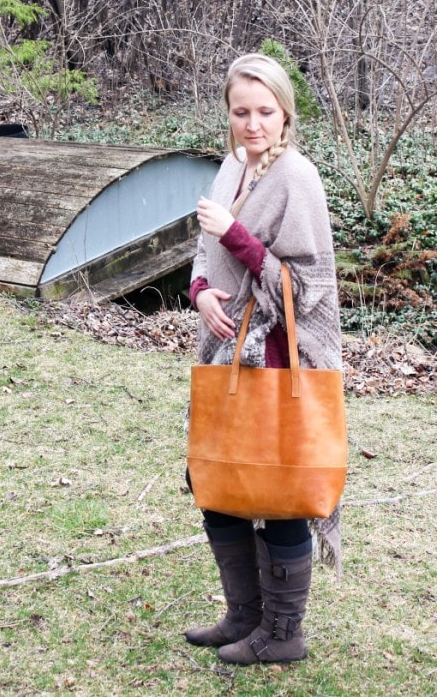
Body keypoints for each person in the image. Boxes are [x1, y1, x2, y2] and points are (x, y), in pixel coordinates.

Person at [185, 53, 342, 665]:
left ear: (285, 114)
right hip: (226, 353)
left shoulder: (297, 178)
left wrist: (236, 235)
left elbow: (306, 290)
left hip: (279, 359)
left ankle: (283, 634)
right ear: (228, 114)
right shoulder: (230, 168)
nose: (252, 124)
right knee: (218, 483)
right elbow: (204, 257)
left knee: (276, 491)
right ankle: (243, 618)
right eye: (241, 111)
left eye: (265, 112)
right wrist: (200, 295)